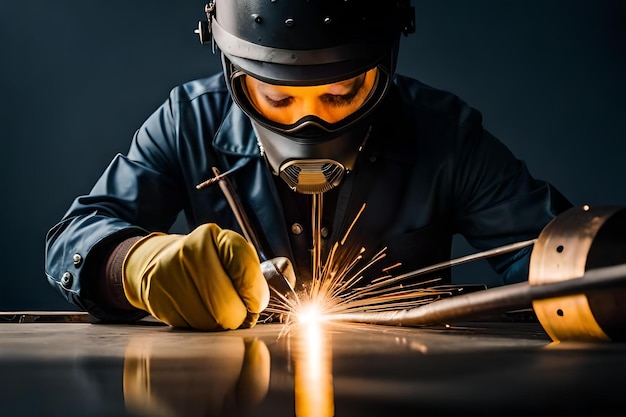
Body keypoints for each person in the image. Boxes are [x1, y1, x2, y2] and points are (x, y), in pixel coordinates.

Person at [44, 0, 571, 331]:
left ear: (384, 68)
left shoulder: (443, 134)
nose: (309, 122)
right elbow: (77, 237)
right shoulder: (189, 122)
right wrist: (137, 264)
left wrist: (594, 269)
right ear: (234, 73)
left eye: (341, 93)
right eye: (277, 98)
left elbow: (555, 251)